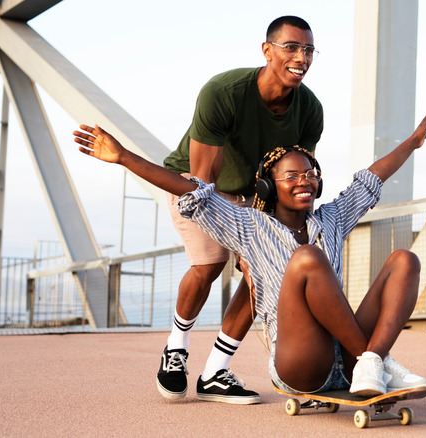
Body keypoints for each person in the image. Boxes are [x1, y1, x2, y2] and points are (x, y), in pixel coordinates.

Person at [72, 112, 426, 397]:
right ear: (267, 186)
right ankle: (378, 364)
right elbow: (189, 190)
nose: (304, 181)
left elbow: (370, 180)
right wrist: (122, 157)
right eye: (292, 176)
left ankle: (371, 361)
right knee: (308, 259)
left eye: (310, 174)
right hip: (303, 362)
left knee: (405, 260)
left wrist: (413, 143)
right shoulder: (249, 226)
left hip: (348, 355)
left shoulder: (332, 219)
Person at [157, 15, 323, 404]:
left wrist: (266, 248)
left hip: (254, 193)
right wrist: (237, 242)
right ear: (267, 51)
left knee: (260, 275)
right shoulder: (224, 92)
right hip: (194, 182)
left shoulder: (310, 110)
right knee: (210, 263)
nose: (302, 57)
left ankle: (215, 371)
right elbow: (203, 184)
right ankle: (176, 347)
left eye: (309, 50)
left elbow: (298, 174)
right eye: (292, 47)